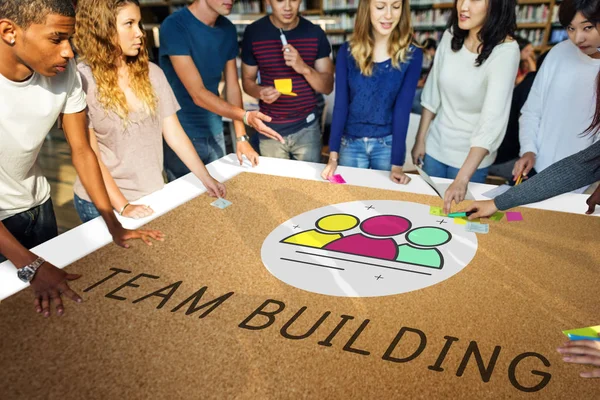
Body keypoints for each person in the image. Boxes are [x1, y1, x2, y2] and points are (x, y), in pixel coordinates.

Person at [0, 0, 161, 317]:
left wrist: (114, 223)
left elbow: (83, 151)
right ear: (9, 31)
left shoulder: (64, 72)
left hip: (39, 207)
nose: (69, 52)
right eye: (56, 38)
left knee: (46, 313)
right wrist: (30, 265)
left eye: (70, 39)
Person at [72, 0, 226, 222]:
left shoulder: (152, 73)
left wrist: (206, 177)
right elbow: (89, 155)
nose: (139, 33)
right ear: (102, 28)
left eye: (139, 24)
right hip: (100, 203)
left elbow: (174, 134)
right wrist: (123, 206)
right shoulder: (81, 81)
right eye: (129, 24)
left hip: (152, 195)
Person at [410, 0, 520, 214]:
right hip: (435, 149)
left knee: (460, 224)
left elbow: (492, 122)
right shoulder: (452, 34)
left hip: (471, 162)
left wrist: (462, 179)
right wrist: (420, 139)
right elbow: (432, 93)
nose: (463, 6)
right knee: (430, 216)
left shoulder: (506, 51)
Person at [158, 0, 284, 181]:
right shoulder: (174, 26)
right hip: (181, 135)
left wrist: (241, 138)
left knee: (220, 200)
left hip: (215, 131)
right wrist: (245, 116)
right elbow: (198, 94)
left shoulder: (227, 29)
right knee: (189, 205)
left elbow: (232, 86)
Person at [321, 0, 422, 184]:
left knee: (382, 206)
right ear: (367, 9)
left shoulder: (412, 54)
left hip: (387, 145)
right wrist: (333, 157)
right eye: (381, 7)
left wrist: (397, 163)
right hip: (350, 143)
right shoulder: (347, 51)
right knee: (350, 202)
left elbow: (402, 110)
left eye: (396, 6)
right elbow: (341, 106)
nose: (389, 15)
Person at [512, 0, 600, 191]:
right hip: (536, 172)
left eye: (587, 28)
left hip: (579, 185)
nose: (578, 39)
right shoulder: (558, 53)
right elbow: (531, 111)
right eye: (570, 28)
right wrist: (528, 149)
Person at [241, 0, 334, 162]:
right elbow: (247, 81)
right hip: (269, 129)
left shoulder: (315, 33)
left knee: (309, 183)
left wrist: (303, 67)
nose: (287, 6)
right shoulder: (254, 32)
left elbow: (327, 87)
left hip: (307, 127)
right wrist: (260, 91)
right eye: (280, 0)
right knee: (277, 184)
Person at [489, 50, 548, 181]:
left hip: (502, 155)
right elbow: (529, 120)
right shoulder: (533, 87)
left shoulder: (530, 80)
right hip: (505, 160)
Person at [412, 37, 437, 115]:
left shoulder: (436, 60)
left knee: (413, 99)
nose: (425, 55)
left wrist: (421, 84)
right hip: (424, 86)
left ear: (432, 49)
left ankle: (427, 115)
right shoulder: (432, 60)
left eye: (425, 51)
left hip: (429, 88)